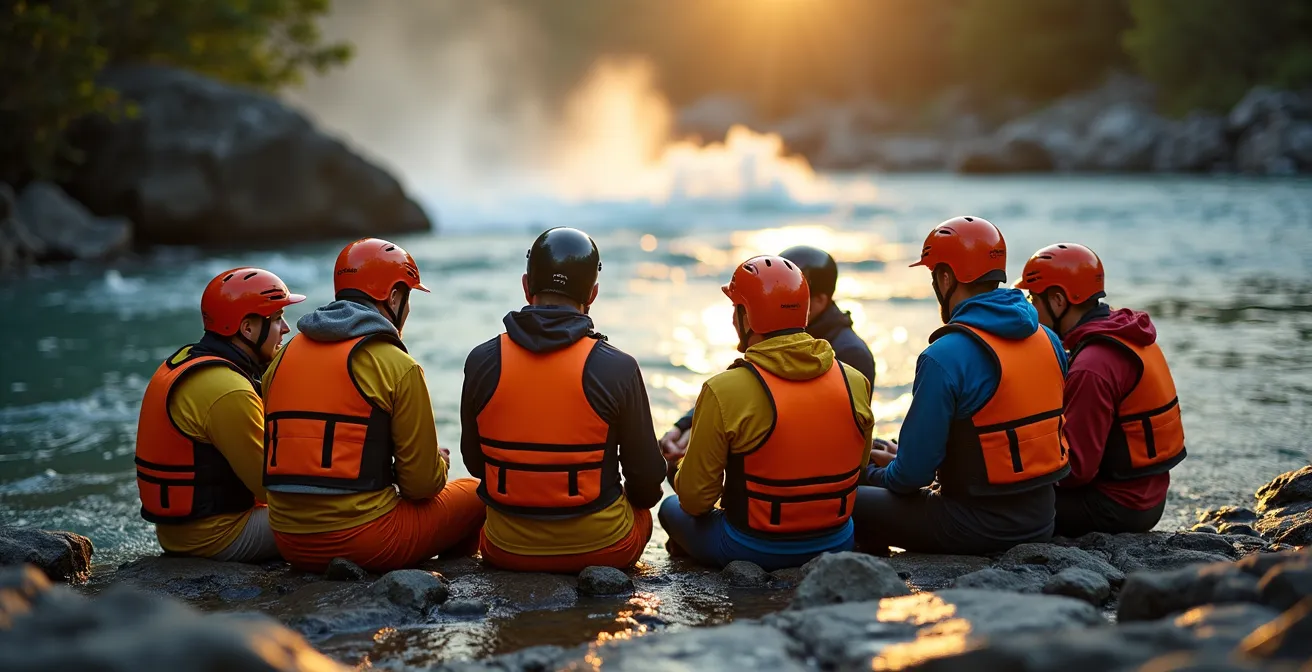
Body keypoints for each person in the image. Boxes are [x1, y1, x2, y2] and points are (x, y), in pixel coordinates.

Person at [262, 238, 486, 573]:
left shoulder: (282, 357)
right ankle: (455, 577)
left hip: (288, 540)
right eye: (408, 297)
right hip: (367, 542)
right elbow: (422, 486)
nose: (407, 310)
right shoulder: (396, 364)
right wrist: (435, 464)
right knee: (473, 492)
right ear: (394, 296)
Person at [854, 216, 1070, 555]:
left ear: (945, 277)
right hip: (1043, 520)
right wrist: (906, 460)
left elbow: (909, 478)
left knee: (844, 500)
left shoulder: (943, 356)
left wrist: (874, 473)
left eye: (933, 277)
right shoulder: (1050, 339)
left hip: (976, 527)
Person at [461, 227, 666, 573]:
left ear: (526, 287)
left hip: (505, 549)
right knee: (641, 510)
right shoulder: (619, 367)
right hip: (605, 549)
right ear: (594, 293)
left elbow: (475, 465)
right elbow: (646, 486)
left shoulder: (482, 360)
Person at [659, 255, 874, 570]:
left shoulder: (725, 389)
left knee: (670, 507)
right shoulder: (854, 380)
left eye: (736, 310)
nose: (733, 320)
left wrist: (677, 467)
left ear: (746, 318)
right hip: (837, 540)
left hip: (752, 547)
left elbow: (695, 501)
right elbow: (861, 462)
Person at [134, 267, 304, 562]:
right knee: (334, 517)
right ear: (247, 328)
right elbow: (269, 489)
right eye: (277, 319)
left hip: (177, 532)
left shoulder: (186, 361)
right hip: (217, 536)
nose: (286, 329)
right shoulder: (230, 390)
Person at [1016, 243, 1185, 536]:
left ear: (1058, 300)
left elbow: (1077, 471)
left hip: (1117, 509)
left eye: (1033, 298)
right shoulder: (1123, 332)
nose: (1030, 308)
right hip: (1149, 499)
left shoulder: (1092, 366)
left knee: (997, 507)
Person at [659, 245, 875, 458]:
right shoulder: (778, 338)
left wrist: (710, 441)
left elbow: (803, 429)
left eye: (792, 294)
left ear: (820, 300)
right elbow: (735, 396)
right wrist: (685, 426)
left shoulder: (850, 354)